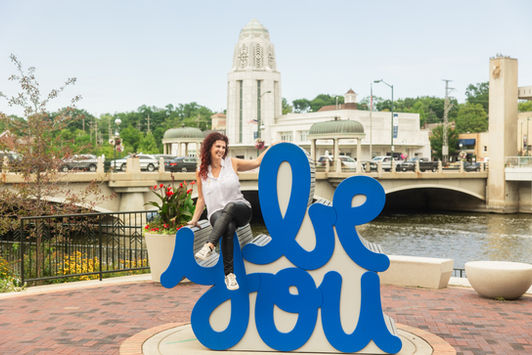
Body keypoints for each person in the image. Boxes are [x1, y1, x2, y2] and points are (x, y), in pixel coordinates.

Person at [188, 132, 274, 291]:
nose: (221, 150)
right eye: (217, 146)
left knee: (231, 206)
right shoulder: (201, 173)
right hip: (216, 214)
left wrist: (273, 146)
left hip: (241, 209)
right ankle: (229, 276)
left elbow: (257, 162)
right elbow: (201, 199)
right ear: (209, 147)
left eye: (223, 147)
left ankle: (209, 245)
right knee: (227, 228)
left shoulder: (232, 163)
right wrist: (194, 220)